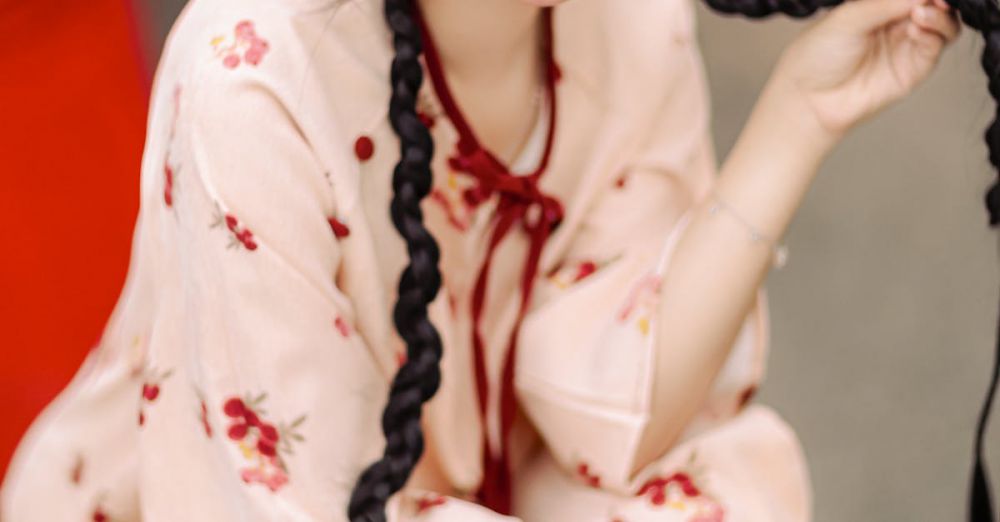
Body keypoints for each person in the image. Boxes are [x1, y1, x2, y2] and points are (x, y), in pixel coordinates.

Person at [0, 0, 962, 520]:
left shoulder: (629, 16)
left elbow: (614, 414)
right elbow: (280, 503)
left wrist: (800, 113)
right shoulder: (249, 80)